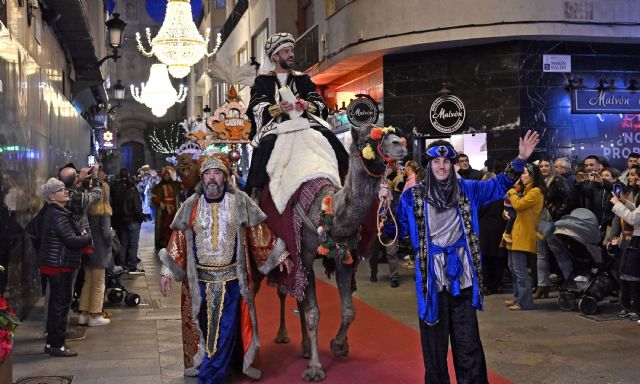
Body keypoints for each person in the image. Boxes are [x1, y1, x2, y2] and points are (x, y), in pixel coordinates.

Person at [392, 130, 540, 383]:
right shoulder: (412, 196)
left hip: (463, 278)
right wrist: (384, 208)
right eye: (436, 161)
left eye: (446, 161)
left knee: (468, 343)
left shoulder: (468, 189)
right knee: (434, 348)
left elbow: (499, 184)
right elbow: (397, 230)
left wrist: (520, 158)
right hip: (431, 281)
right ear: (428, 165)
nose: (441, 166)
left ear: (452, 164)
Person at [158, 154, 291, 382]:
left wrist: (278, 255)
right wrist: (167, 271)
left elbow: (259, 231)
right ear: (202, 177)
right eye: (208, 173)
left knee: (224, 330)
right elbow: (178, 239)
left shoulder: (240, 201)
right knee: (206, 330)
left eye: (217, 173)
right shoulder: (191, 205)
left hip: (231, 283)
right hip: (199, 285)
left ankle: (210, 377)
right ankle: (216, 366)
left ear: (225, 176)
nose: (212, 178)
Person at [245, 32, 348, 195]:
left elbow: (318, 101)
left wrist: (307, 105)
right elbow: (256, 105)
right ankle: (255, 191)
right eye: (286, 51)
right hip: (275, 126)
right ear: (276, 56)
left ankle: (348, 177)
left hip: (304, 124)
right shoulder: (262, 81)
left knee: (327, 134)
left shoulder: (303, 79)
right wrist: (278, 108)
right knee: (267, 142)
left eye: (292, 50)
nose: (291, 54)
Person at [38, 178, 92, 357]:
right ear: (52, 196)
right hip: (60, 265)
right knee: (59, 305)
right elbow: (72, 241)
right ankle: (56, 344)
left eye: (64, 189)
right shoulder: (57, 214)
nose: (66, 192)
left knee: (59, 304)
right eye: (61, 190)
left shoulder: (58, 212)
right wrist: (87, 236)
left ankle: (57, 338)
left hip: (59, 264)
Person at [503, 163, 545, 310]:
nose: (522, 176)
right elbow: (515, 209)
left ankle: (524, 302)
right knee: (513, 268)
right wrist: (506, 213)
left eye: (525, 173)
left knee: (520, 270)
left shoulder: (536, 192)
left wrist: (511, 191)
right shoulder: (525, 190)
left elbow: (519, 205)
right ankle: (517, 298)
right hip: (515, 232)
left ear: (533, 175)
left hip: (523, 233)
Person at [78, 169, 113, 327]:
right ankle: (95, 314)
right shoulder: (103, 213)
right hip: (100, 251)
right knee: (99, 283)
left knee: (88, 281)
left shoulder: (87, 211)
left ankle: (83, 313)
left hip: (87, 250)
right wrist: (111, 236)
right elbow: (106, 234)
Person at [533, 158, 571, 299]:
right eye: (541, 166)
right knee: (541, 255)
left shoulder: (558, 180)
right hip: (540, 222)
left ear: (551, 167)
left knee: (560, 254)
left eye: (546, 165)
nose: (543, 168)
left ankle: (570, 284)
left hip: (552, 222)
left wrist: (556, 215)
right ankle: (542, 286)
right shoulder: (538, 181)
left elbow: (568, 200)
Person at [110, 168, 144, 273]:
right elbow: (137, 209)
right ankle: (132, 265)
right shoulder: (134, 193)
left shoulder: (120, 193)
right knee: (133, 244)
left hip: (122, 221)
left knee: (123, 243)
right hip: (133, 221)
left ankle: (122, 264)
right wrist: (140, 219)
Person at [151, 167, 182, 249]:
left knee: (174, 224)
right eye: (165, 175)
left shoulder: (175, 185)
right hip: (164, 209)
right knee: (165, 225)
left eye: (168, 175)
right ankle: (164, 241)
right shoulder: (158, 187)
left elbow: (183, 186)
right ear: (163, 176)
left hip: (175, 208)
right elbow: (154, 197)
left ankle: (174, 240)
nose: (167, 177)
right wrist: (160, 202)